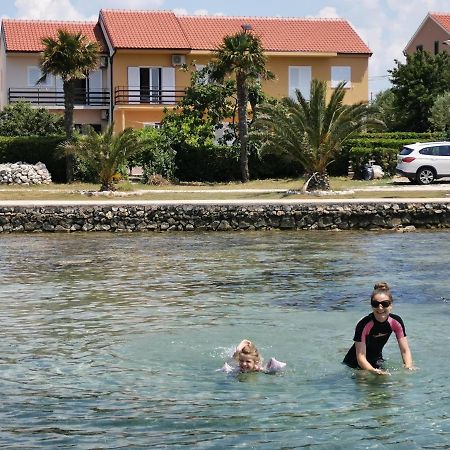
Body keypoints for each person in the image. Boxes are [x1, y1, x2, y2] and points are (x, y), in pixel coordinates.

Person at [343, 282, 414, 375]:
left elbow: (405, 350)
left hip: (377, 360)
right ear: (371, 305)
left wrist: (408, 367)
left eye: (385, 304)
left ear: (391, 305)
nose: (380, 308)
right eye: (375, 303)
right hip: (355, 364)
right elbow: (360, 358)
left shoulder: (396, 321)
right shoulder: (363, 324)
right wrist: (373, 371)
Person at [217, 339, 286, 374]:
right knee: (233, 359)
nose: (244, 364)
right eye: (241, 361)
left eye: (248, 362)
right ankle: (238, 350)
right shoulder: (237, 369)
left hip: (256, 362)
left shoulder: (258, 368)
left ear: (255, 363)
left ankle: (239, 350)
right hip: (235, 361)